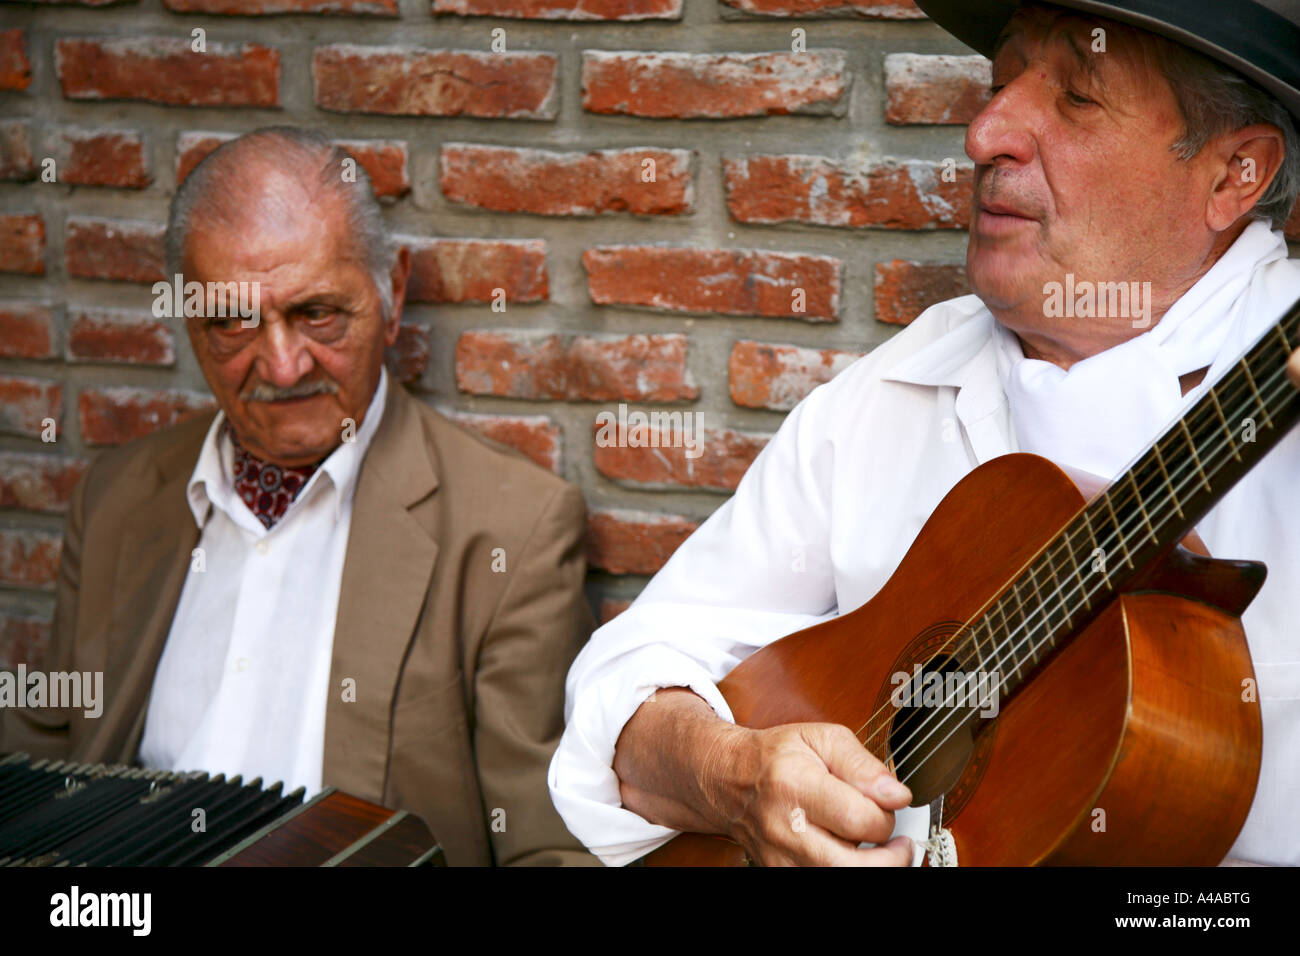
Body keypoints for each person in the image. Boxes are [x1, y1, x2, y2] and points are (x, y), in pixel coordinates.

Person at [549, 0, 1300, 866]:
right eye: (1000, 81)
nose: (985, 133)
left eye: (1078, 99)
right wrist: (733, 772)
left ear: (1233, 173)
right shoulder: (894, 388)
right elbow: (629, 680)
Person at [0, 126, 599, 866]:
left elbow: (544, 850)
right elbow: (37, 769)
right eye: (233, 321)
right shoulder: (116, 497)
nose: (282, 368)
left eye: (316, 313)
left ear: (393, 293)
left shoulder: (512, 528)